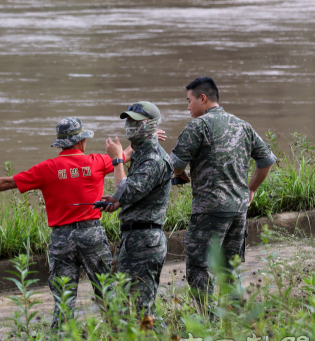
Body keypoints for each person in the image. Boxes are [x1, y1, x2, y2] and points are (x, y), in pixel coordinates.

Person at [0, 117, 115, 329]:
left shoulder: (46, 169)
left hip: (61, 239)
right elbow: (125, 157)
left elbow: (8, 182)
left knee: (64, 300)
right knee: (106, 290)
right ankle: (117, 337)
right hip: (91, 234)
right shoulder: (97, 162)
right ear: (81, 142)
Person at [170, 77, 276, 313]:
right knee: (230, 268)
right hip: (238, 210)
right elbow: (266, 161)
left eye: (189, 101)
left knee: (199, 267)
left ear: (203, 99)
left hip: (209, 211)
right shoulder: (243, 125)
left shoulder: (198, 126)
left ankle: (208, 322)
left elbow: (176, 163)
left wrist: (182, 174)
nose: (188, 107)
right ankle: (236, 319)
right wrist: (251, 188)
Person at [100, 101, 173, 325]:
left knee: (141, 310)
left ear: (151, 125)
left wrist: (117, 159)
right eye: (128, 120)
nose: (130, 125)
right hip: (134, 238)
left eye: (136, 121)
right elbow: (131, 194)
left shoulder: (153, 159)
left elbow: (126, 190)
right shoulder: (142, 155)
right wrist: (119, 203)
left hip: (145, 242)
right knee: (122, 304)